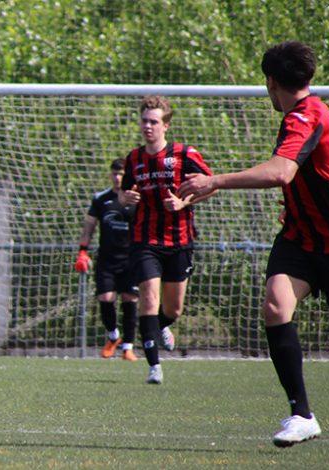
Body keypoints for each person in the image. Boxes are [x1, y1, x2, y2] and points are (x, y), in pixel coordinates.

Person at [178, 41, 329, 451]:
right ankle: (302, 415)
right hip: (300, 237)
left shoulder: (303, 117)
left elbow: (281, 172)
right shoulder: (317, 110)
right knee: (275, 305)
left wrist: (214, 181)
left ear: (271, 82)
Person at [118, 95, 215, 384]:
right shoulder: (133, 158)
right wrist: (126, 198)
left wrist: (184, 202)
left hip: (180, 240)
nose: (147, 126)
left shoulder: (184, 154)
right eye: (144, 121)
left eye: (153, 121)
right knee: (149, 298)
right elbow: (123, 195)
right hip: (145, 240)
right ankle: (154, 367)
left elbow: (212, 186)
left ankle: (159, 326)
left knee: (173, 309)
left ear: (166, 125)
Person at [75, 158, 139, 361]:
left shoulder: (137, 199)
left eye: (121, 174)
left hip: (131, 259)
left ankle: (128, 347)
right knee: (105, 299)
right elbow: (89, 226)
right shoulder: (101, 199)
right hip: (107, 259)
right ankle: (113, 336)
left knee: (130, 299)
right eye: (115, 173)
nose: (117, 177)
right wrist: (83, 251)